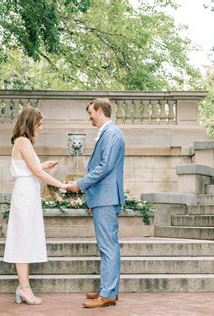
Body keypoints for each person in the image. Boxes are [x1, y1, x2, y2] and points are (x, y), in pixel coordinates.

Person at [3, 107, 71, 305]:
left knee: (27, 237)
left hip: (28, 192)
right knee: (23, 238)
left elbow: (31, 169)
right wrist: (62, 185)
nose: (41, 128)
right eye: (39, 124)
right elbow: (35, 172)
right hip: (25, 194)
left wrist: (42, 165)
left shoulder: (23, 142)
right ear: (30, 123)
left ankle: (24, 287)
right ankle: (24, 288)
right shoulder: (23, 141)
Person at [68, 98, 125, 309]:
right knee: (105, 247)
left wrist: (80, 184)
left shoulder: (112, 134)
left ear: (100, 111)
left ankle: (108, 294)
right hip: (102, 197)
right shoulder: (108, 134)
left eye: (91, 112)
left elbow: (104, 166)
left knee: (108, 247)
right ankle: (107, 290)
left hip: (107, 198)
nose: (89, 117)